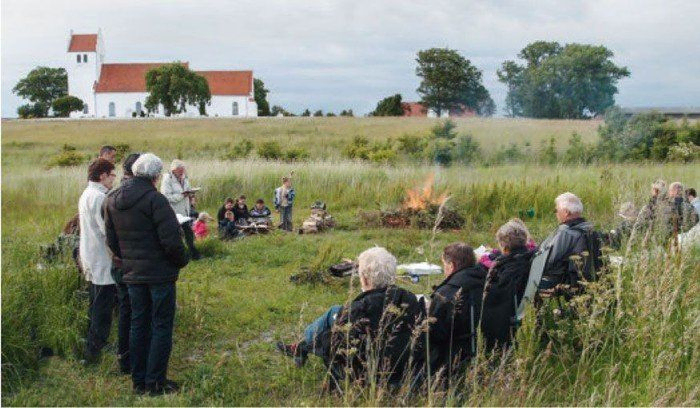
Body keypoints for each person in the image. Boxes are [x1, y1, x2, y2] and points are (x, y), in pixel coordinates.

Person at [104, 153, 189, 396]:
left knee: (138, 325)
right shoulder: (155, 200)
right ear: (155, 175)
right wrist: (181, 261)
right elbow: (171, 241)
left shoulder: (112, 199)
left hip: (132, 274)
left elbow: (112, 241)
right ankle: (155, 383)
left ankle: (139, 380)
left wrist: (129, 261)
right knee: (161, 326)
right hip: (159, 275)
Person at [277, 247, 421, 389]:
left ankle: (302, 347)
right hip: (402, 369)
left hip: (366, 373)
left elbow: (332, 345)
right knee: (335, 311)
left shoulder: (359, 309)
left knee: (330, 320)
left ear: (364, 278)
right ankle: (301, 347)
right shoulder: (409, 298)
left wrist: (319, 341)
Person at [101, 152, 141, 374]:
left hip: (119, 262)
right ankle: (132, 360)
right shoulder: (139, 196)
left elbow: (109, 234)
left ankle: (124, 358)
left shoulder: (111, 196)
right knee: (136, 313)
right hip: (133, 264)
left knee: (127, 310)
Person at [424, 243, 486, 384]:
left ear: (451, 265)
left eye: (444, 265)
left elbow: (435, 333)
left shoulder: (446, 293)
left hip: (450, 355)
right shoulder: (484, 279)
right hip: (476, 344)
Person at [78, 158, 117, 363]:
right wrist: (118, 255)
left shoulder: (87, 193)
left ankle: (95, 342)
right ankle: (93, 352)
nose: (114, 180)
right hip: (102, 257)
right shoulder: (100, 198)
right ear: (102, 176)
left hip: (90, 255)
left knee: (94, 303)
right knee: (102, 306)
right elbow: (107, 232)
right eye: (112, 175)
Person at [481, 220, 536, 351]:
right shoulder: (526, 257)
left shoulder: (511, 267)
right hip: (520, 300)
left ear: (504, 247)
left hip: (504, 311)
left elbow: (497, 294)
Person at [539, 192, 599, 289]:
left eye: (556, 210)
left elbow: (547, 260)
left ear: (566, 212)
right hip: (588, 280)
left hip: (564, 281)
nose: (556, 213)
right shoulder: (590, 229)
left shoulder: (566, 233)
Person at [161, 159, 201, 260]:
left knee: (188, 232)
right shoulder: (167, 179)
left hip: (185, 209)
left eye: (183, 170)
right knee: (176, 234)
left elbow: (187, 189)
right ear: (174, 170)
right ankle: (181, 255)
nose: (182, 172)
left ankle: (192, 253)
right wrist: (182, 196)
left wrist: (190, 194)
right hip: (173, 211)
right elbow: (166, 197)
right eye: (180, 170)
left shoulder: (184, 177)